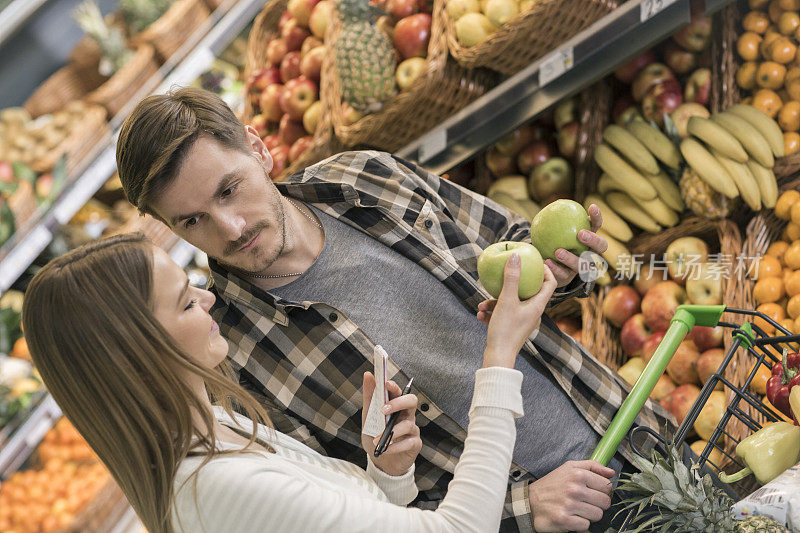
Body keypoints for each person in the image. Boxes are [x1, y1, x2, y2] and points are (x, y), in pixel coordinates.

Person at [115, 88, 673, 531]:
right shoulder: (231, 356)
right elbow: (364, 508)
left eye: (229, 190)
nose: (229, 228)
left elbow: (512, 241)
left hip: (632, 435)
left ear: (259, 150)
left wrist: (570, 268)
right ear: (169, 228)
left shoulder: (368, 179)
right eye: (192, 221)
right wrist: (523, 509)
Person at [22, 232, 581, 532]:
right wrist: (500, 354)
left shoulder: (216, 425)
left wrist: (385, 475)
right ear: (138, 352)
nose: (210, 297)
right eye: (185, 302)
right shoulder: (214, 485)